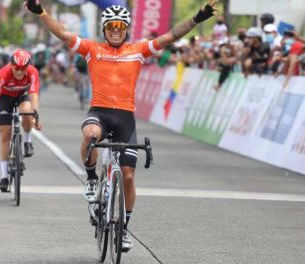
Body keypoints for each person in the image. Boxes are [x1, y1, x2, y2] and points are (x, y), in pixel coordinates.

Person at [25, 0, 218, 251]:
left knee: (128, 175)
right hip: (100, 113)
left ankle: (124, 229)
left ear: (126, 29)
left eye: (120, 26)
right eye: (111, 26)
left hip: (126, 118)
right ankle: (93, 179)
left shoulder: (138, 50)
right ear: (104, 29)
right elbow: (62, 32)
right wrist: (41, 12)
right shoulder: (92, 48)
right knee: (90, 134)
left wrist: (197, 18)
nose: (116, 30)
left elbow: (170, 36)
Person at [0, 49, 43, 192]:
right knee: (5, 134)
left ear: (28, 67)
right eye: (16, 68)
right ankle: (4, 176)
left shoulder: (32, 72)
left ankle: (27, 140)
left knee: (27, 111)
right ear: (11, 65)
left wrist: (35, 115)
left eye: (23, 68)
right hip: (5, 98)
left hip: (22, 95)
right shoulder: (4, 73)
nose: (19, 71)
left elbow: (34, 96)